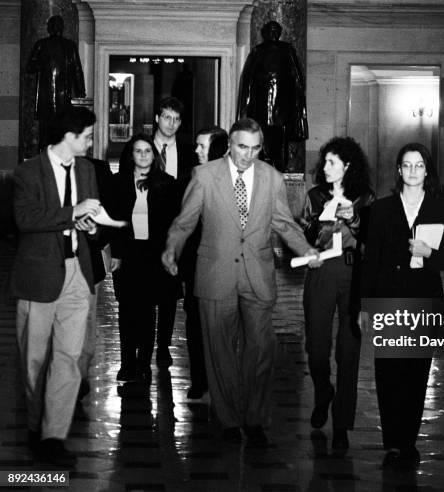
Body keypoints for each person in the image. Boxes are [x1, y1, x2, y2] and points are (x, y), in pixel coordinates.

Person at [162, 117, 318, 447]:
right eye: (242, 147)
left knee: (261, 351)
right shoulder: (205, 175)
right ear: (230, 145)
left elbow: (284, 223)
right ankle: (229, 419)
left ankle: (256, 420)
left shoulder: (272, 178)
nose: (248, 154)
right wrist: (171, 249)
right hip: (216, 274)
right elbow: (185, 220)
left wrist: (307, 250)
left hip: (258, 275)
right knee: (220, 352)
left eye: (255, 148)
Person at [361, 143, 444, 470]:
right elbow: (370, 261)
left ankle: (408, 441)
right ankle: (392, 443)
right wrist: (364, 307)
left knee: (416, 374)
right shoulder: (381, 209)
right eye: (407, 165)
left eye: (419, 165)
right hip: (388, 298)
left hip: (424, 298)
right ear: (399, 170)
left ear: (427, 171)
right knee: (389, 373)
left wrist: (429, 253)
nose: (413, 171)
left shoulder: (443, 210)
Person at [12, 106, 99, 467]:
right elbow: (25, 219)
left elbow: (86, 214)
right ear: (69, 136)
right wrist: (73, 212)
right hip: (39, 276)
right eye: (88, 136)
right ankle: (35, 425)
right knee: (33, 361)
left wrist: (88, 225)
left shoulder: (87, 169)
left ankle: (52, 437)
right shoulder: (28, 171)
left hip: (77, 272)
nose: (92, 142)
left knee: (69, 359)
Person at [300, 137, 374, 451]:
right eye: (325, 161)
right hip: (321, 272)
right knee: (317, 349)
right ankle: (322, 393)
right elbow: (305, 236)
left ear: (348, 165)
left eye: (332, 162)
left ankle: (342, 424)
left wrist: (353, 220)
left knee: (349, 353)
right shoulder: (314, 196)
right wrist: (324, 218)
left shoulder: (366, 199)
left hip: (353, 273)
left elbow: (372, 242)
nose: (325, 167)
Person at [119, 97, 192, 368]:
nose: (171, 124)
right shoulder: (143, 147)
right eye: (167, 118)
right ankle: (139, 353)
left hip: (175, 229)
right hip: (146, 234)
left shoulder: (188, 152)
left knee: (170, 294)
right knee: (144, 297)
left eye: (176, 119)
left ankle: (164, 346)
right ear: (158, 119)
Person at [111, 134, 181, 384]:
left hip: (154, 255)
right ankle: (127, 362)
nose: (142, 155)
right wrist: (116, 253)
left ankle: (143, 362)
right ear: (131, 154)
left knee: (148, 310)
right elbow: (114, 221)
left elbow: (174, 222)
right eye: (138, 151)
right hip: (128, 254)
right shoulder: (118, 182)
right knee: (127, 310)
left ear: (154, 156)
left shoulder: (166, 183)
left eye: (147, 151)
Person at [183, 125, 229, 400]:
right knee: (195, 324)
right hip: (196, 266)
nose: (197, 150)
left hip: (226, 267)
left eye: (203, 145)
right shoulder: (192, 177)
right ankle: (199, 379)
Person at [237, 21, 308, 172]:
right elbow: (248, 81)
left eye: (276, 30)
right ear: (265, 33)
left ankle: (280, 168)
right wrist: (246, 108)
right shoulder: (258, 51)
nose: (273, 33)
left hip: (281, 108)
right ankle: (262, 168)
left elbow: (297, 79)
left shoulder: (287, 50)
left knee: (280, 140)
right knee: (261, 138)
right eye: (270, 30)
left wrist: (296, 104)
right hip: (261, 106)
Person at [78, 156, 114, 400]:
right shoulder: (39, 169)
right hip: (52, 263)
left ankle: (79, 377)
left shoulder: (98, 169)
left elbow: (110, 209)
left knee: (87, 321)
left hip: (89, 259)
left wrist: (97, 233)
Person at [26, 15, 86, 149]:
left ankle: (52, 155)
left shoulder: (67, 46)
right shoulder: (43, 44)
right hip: (49, 96)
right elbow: (30, 67)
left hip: (58, 96)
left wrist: (80, 91)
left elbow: (77, 69)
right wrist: (80, 91)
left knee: (53, 131)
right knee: (50, 131)